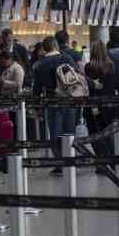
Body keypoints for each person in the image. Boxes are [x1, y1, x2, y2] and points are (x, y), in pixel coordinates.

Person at [31, 36, 78, 170]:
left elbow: (37, 89)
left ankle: (60, 164)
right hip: (69, 100)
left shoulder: (40, 65)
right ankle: (71, 160)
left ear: (44, 49)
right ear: (55, 46)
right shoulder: (67, 58)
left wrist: (36, 107)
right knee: (69, 132)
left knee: (55, 134)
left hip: (52, 101)